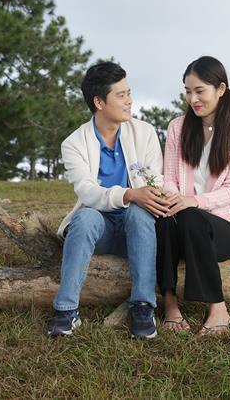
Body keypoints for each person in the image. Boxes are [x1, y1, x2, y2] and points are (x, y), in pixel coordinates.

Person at [46, 61, 170, 339]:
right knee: (85, 217)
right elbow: (87, 192)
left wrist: (143, 196)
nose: (129, 101)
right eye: (121, 95)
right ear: (99, 102)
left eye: (129, 93)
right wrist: (128, 194)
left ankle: (143, 306)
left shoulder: (145, 133)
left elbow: (155, 181)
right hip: (99, 229)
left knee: (139, 212)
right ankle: (66, 311)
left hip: (137, 228)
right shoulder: (74, 143)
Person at [157, 56, 230, 336]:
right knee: (164, 218)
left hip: (220, 230)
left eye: (200, 91)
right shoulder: (177, 127)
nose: (193, 99)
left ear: (221, 89)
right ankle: (170, 304)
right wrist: (174, 201)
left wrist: (193, 202)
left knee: (190, 216)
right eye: (188, 91)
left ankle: (218, 307)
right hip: (180, 223)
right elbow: (169, 178)